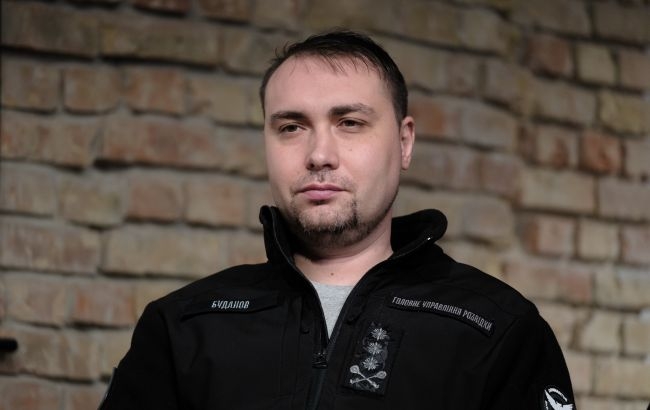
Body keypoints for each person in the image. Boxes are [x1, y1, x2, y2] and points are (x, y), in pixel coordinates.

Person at [100, 30, 575, 410]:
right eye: (291, 127)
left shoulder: (496, 329)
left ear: (404, 143)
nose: (319, 155)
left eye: (350, 123)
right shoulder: (185, 325)